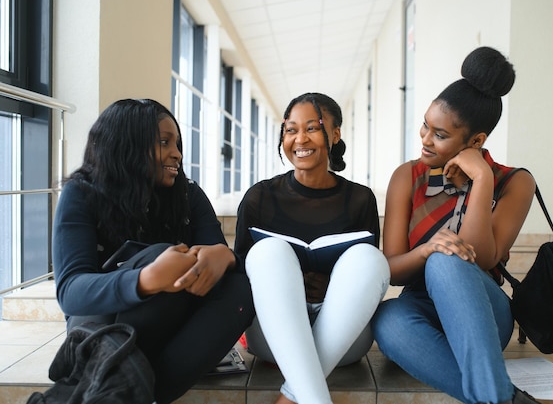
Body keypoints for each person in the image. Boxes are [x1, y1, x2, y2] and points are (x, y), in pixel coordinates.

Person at [52, 98, 254, 404]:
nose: (177, 153)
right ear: (127, 145)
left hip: (172, 336)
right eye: (164, 142)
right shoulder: (81, 194)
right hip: (102, 330)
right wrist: (145, 280)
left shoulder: (188, 194)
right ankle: (123, 387)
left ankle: (130, 392)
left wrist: (224, 257)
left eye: (177, 143)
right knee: (160, 254)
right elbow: (71, 291)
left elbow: (219, 258)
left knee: (239, 286)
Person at [371, 47, 541, 404]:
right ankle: (502, 397)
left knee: (448, 259)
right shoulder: (407, 177)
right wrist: (427, 249)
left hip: (483, 308)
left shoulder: (515, 182)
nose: (425, 139)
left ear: (476, 141)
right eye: (425, 125)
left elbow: (482, 257)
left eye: (440, 134)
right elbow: (391, 270)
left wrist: (481, 178)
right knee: (388, 318)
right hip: (420, 306)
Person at [234, 92, 390, 404]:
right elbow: (239, 274)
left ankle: (294, 395)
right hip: (272, 336)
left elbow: (367, 282)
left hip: (345, 337)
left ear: (334, 134)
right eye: (291, 130)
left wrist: (331, 285)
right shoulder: (259, 197)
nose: (300, 139)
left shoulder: (361, 199)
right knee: (269, 253)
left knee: (369, 259)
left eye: (312, 128)